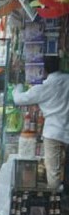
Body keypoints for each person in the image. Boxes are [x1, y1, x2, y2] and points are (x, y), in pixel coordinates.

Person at [13, 56, 69, 189]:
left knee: (53, 171)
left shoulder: (44, 87)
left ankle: (55, 201)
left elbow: (19, 99)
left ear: (43, 70)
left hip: (53, 133)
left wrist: (18, 87)